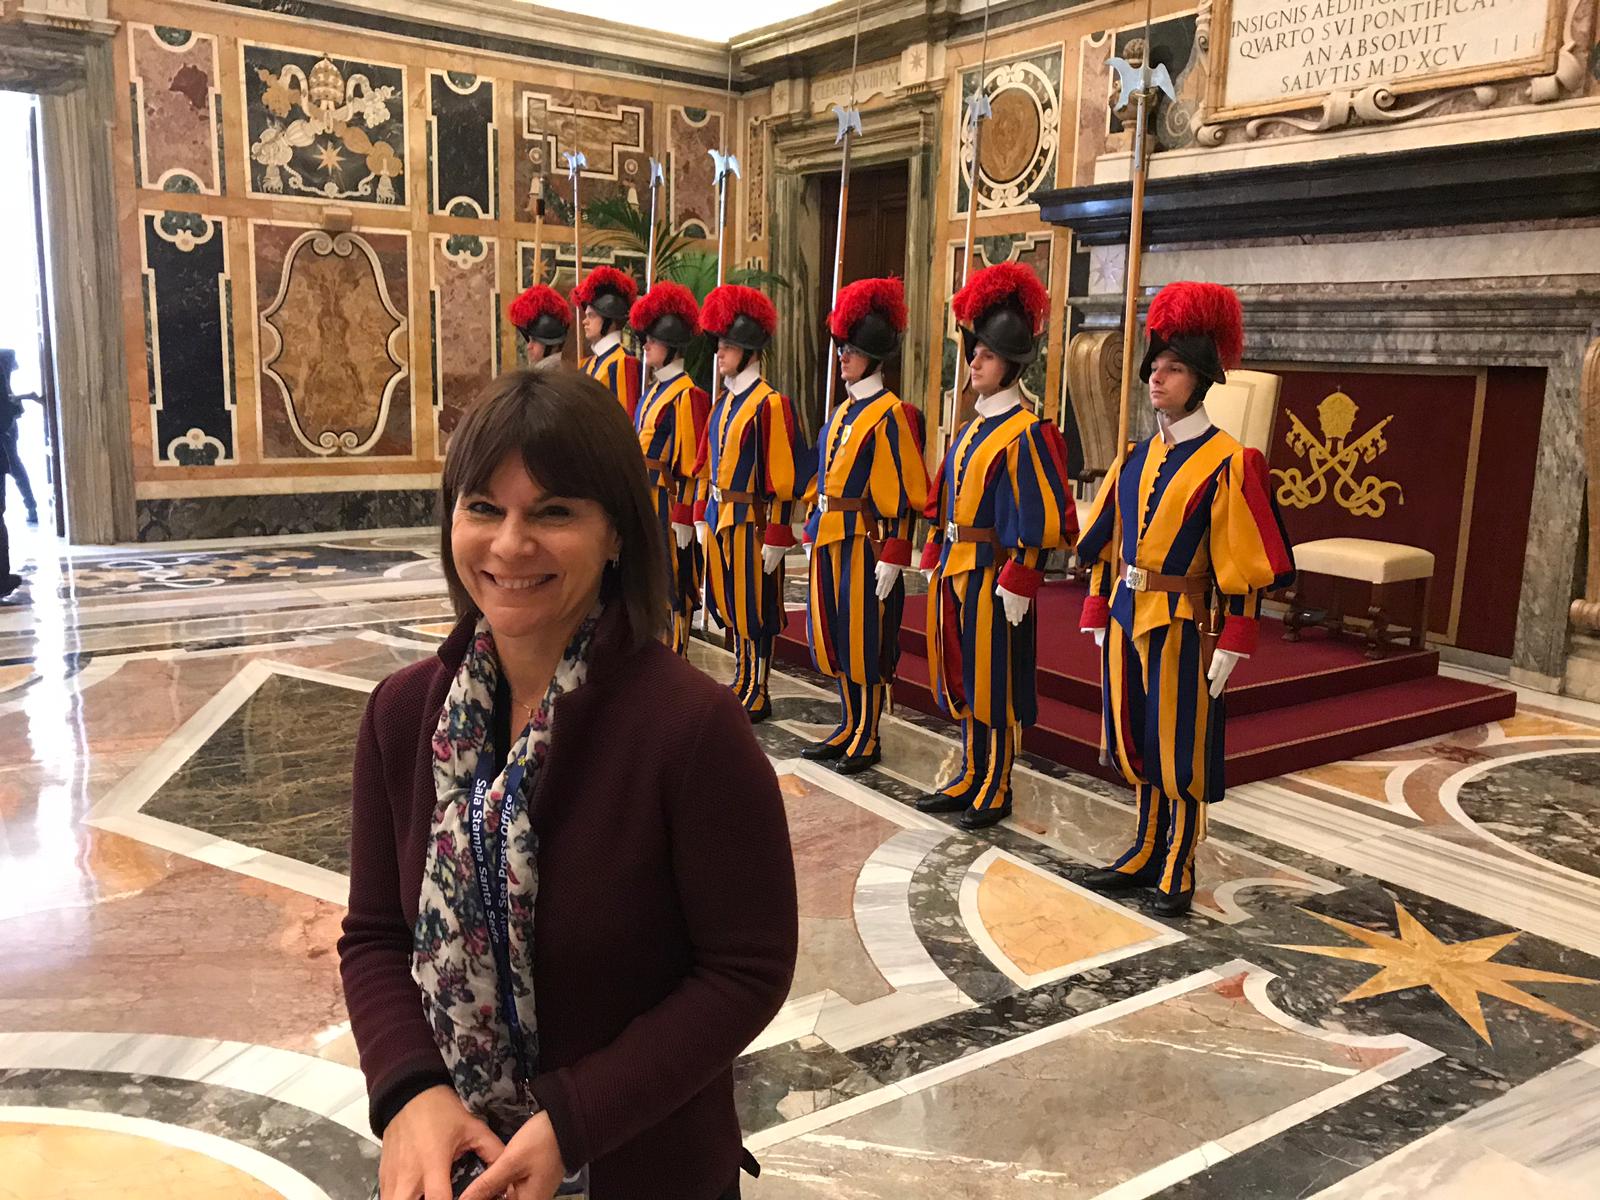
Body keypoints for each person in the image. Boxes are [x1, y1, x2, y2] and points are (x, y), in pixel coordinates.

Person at [338, 368, 798, 1200]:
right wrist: (413, 1092)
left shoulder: (690, 729)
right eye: (484, 508)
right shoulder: (403, 715)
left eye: (553, 512)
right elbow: (374, 935)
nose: (511, 545)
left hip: (638, 1165)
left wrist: (575, 1119)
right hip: (454, 1167)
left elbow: (747, 968)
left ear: (616, 533)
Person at [1075, 280, 1295, 916]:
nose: (1157, 380)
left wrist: (1238, 637)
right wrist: (1097, 605)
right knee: (1136, 736)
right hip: (1126, 613)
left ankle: (1180, 856)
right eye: (1154, 369)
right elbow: (1109, 544)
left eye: (1172, 370)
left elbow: (1245, 565)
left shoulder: (1229, 462)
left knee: (1182, 745)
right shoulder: (1135, 456)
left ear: (1200, 379)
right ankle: (1145, 843)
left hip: (1183, 621)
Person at [915, 262, 1074, 830]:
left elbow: (1043, 513)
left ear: (1010, 362)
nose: (973, 361)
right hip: (958, 569)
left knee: (996, 680)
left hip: (994, 574)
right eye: (971, 351)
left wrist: (1024, 574)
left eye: (984, 352)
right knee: (961, 674)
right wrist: (935, 552)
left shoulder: (1026, 432)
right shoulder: (968, 430)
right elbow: (944, 502)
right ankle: (970, 769)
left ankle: (997, 780)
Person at [800, 277, 928, 773]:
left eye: (851, 349)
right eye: (841, 348)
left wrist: (898, 551)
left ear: (874, 355)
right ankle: (850, 722)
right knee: (835, 633)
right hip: (831, 537)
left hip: (865, 543)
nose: (843, 357)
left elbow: (909, 492)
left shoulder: (892, 414)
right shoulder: (841, 413)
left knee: (866, 638)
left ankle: (868, 732)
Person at [696, 284, 809, 723]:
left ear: (749, 350)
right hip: (724, 515)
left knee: (756, 605)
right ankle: (742, 676)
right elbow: (711, 466)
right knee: (730, 603)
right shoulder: (723, 403)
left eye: (728, 345)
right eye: (720, 344)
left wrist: (780, 533)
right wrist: (706, 513)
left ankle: (758, 685)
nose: (720, 353)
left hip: (753, 522)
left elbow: (784, 476)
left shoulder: (770, 404)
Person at [629, 280, 710, 656]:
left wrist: (684, 514)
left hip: (667, 497)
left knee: (674, 576)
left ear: (671, 345)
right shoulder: (652, 391)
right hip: (644, 491)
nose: (646, 345)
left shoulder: (687, 395)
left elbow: (694, 465)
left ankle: (675, 650)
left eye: (653, 339)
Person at [573, 266, 641, 420]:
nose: (585, 321)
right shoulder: (588, 364)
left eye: (591, 316)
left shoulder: (623, 362)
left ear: (608, 319)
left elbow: (625, 418)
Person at [0, 349, 40, 525]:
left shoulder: (4, 359)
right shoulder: (5, 359)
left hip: (6, 426)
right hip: (8, 424)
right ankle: (30, 506)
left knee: (13, 465)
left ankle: (30, 506)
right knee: (15, 466)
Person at [507, 284, 571, 371]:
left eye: (534, 340)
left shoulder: (547, 374)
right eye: (529, 340)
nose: (528, 347)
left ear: (553, 345)